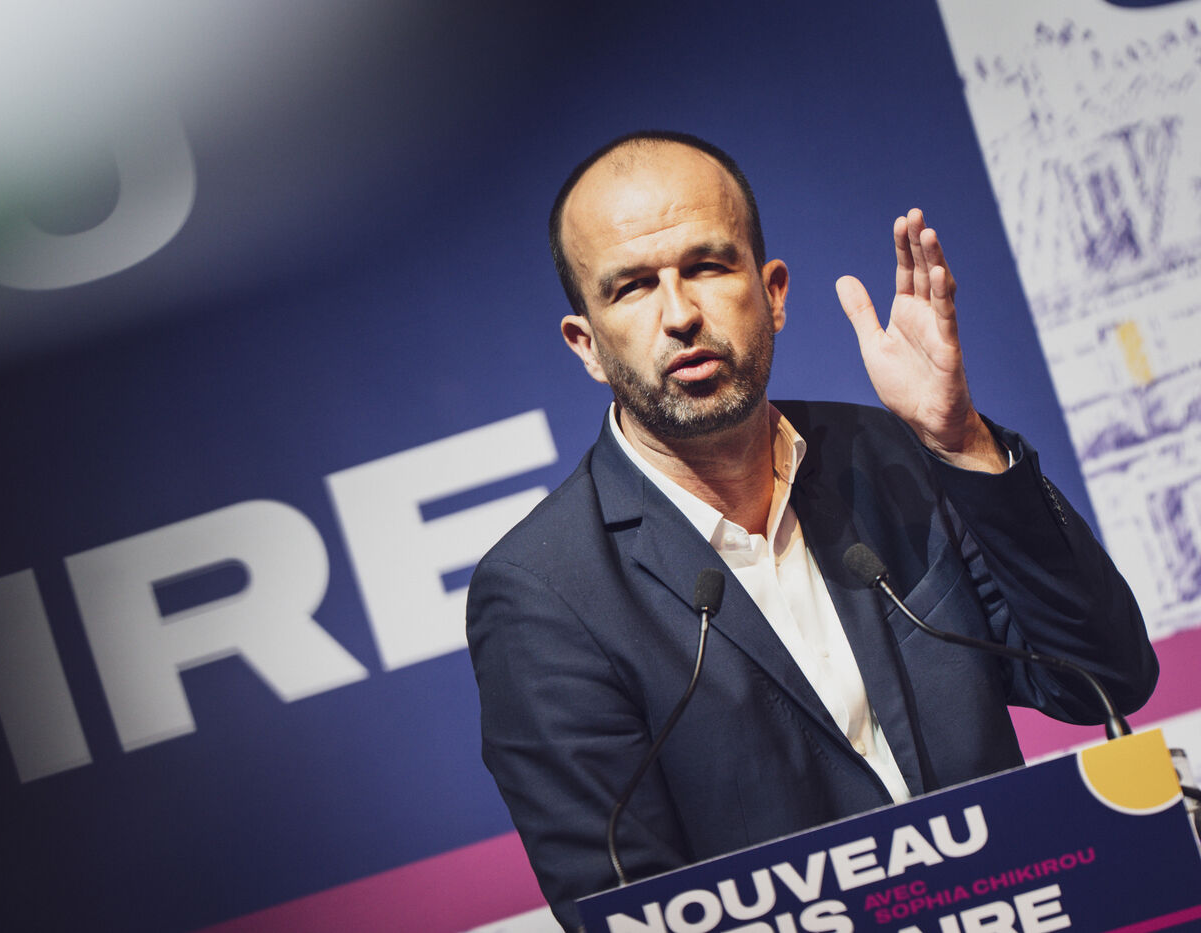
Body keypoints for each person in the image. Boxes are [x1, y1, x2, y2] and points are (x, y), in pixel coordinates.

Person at [464, 131, 1158, 932]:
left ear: (774, 293)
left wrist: (962, 442)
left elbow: (1103, 677)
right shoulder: (544, 594)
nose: (680, 314)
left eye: (707, 266)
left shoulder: (891, 455)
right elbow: (625, 907)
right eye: (632, 287)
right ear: (587, 344)